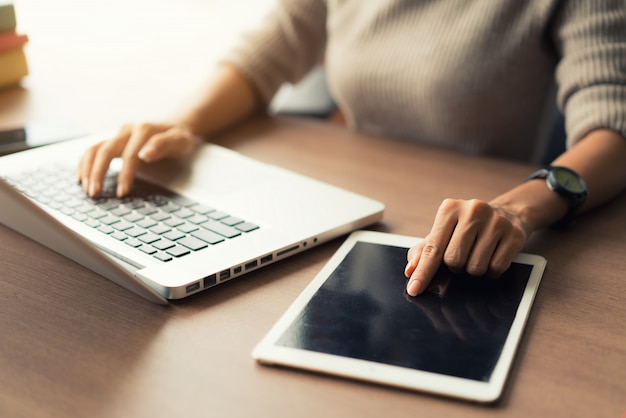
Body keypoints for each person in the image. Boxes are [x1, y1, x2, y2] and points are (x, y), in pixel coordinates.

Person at [77, 1, 626, 297]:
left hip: (469, 236)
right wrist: (182, 123)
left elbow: (613, 127)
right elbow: (266, 52)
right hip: (358, 212)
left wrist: (519, 206)